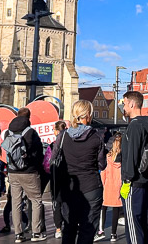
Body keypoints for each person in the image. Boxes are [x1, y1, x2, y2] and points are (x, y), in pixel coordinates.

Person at [58, 100, 107, 244]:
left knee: (69, 227)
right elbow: (102, 164)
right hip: (91, 186)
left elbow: (54, 159)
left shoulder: (63, 136)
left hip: (70, 186)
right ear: (88, 115)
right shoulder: (96, 136)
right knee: (88, 229)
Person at [119, 91, 148, 244]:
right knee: (140, 223)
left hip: (133, 182)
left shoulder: (134, 126)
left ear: (132, 104)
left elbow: (132, 156)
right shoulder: (147, 125)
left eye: (124, 102)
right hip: (144, 180)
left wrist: (127, 180)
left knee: (133, 225)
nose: (123, 106)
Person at [4, 109, 47, 242]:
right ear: (29, 118)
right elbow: (39, 153)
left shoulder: (7, 132)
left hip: (13, 172)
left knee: (16, 202)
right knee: (36, 200)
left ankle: (18, 234)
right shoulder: (31, 132)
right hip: (29, 172)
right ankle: (36, 232)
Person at [99, 133, 123, 242]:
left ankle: (101, 230)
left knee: (103, 208)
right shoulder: (123, 158)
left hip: (107, 185)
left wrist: (102, 184)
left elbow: (103, 172)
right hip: (118, 185)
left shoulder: (108, 157)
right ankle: (113, 233)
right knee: (116, 211)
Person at [48, 121, 67, 240]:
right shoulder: (70, 142)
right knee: (67, 202)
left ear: (56, 131)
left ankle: (58, 229)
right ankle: (67, 225)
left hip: (56, 175)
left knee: (57, 202)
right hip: (69, 175)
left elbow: (48, 161)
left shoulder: (53, 145)